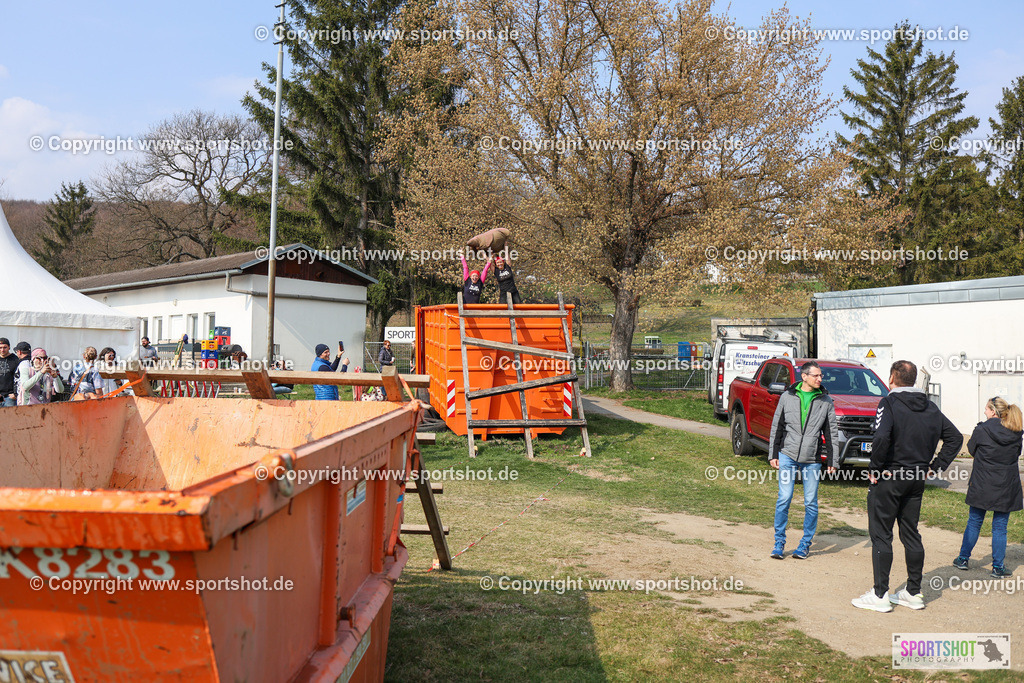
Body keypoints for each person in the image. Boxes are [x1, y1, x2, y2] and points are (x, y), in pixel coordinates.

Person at [852, 360, 962, 613]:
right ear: (913, 380)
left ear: (892, 377)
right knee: (910, 533)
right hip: (916, 479)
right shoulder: (931, 407)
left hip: (890, 476)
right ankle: (913, 592)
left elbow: (881, 437)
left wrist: (874, 469)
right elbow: (955, 437)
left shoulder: (888, 402)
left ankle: (880, 595)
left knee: (881, 534)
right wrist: (935, 466)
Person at [768, 361, 839, 560]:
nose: (820, 379)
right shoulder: (787, 396)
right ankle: (779, 542)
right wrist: (773, 454)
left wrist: (833, 459)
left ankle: (805, 544)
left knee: (811, 503)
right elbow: (777, 426)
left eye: (821, 376)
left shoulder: (826, 400)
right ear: (804, 376)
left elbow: (831, 432)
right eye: (816, 375)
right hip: (787, 455)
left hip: (812, 459)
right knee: (784, 498)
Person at [953, 397, 1023, 578]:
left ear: (993, 411)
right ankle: (997, 567)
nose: (984, 411)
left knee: (974, 522)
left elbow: (971, 449)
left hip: (982, 483)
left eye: (986, 408)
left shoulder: (981, 430)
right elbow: (1015, 455)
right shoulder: (1016, 432)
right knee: (1000, 527)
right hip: (1006, 486)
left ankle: (963, 559)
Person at [0, 338, 20, 406]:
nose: (2, 350)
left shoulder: (15, 360)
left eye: (5, 347)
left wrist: (15, 394)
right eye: (0, 348)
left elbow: (19, 378)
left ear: (9, 347)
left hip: (10, 397)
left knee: (10, 416)